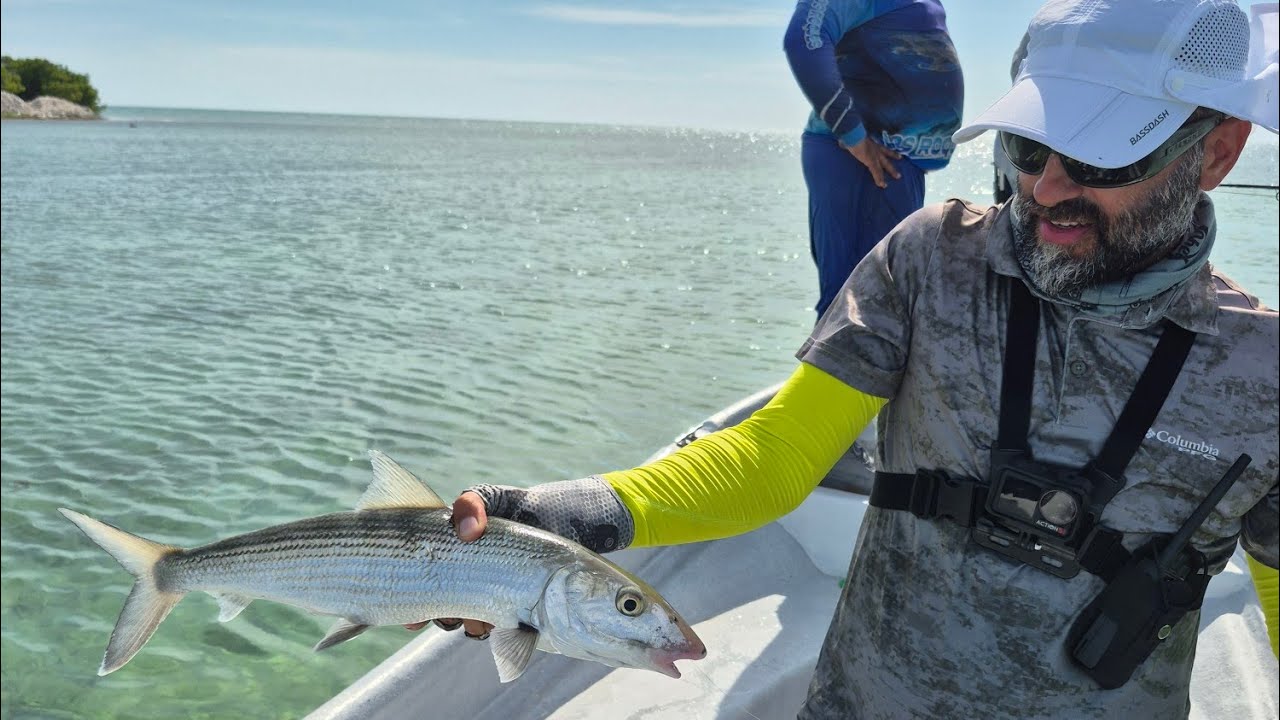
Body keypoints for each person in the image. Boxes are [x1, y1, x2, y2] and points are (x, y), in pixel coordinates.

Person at [422, 0, 1279, 717]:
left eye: (1097, 155)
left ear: (1216, 152)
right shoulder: (933, 258)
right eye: (1027, 148)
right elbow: (772, 456)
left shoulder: (1266, 372)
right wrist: (554, 513)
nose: (1045, 188)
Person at [783, 0, 964, 319]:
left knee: (890, 302)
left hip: (892, 161)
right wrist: (854, 136)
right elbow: (804, 40)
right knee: (852, 307)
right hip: (859, 161)